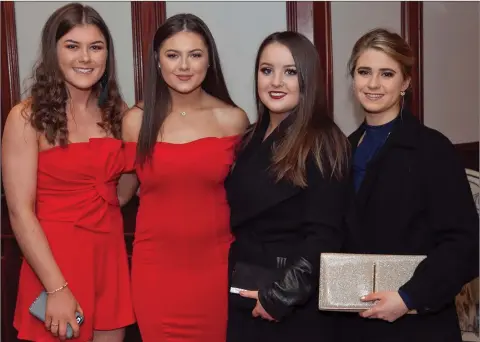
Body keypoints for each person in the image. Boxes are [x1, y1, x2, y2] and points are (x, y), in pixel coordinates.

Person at [2, 3, 137, 341]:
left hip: (109, 261)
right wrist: (57, 287)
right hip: (52, 266)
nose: (86, 58)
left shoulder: (118, 112)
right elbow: (20, 212)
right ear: (54, 52)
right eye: (72, 46)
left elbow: (121, 192)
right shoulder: (25, 117)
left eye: (96, 47)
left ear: (107, 54)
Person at [337, 28, 479, 342]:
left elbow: (466, 242)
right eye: (364, 72)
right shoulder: (341, 150)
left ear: (405, 83)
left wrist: (409, 298)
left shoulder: (433, 150)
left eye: (386, 74)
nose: (373, 84)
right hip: (352, 324)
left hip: (416, 325)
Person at [121, 13, 249, 342]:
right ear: (157, 61)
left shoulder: (233, 119)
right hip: (155, 271)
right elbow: (121, 194)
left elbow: (248, 198)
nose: (184, 66)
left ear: (209, 61)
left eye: (195, 54)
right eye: (172, 54)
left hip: (216, 269)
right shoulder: (137, 120)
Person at [225, 31, 350, 342]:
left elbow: (326, 234)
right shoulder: (251, 136)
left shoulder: (324, 140)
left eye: (290, 72)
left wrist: (281, 296)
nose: (276, 82)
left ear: (308, 79)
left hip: (291, 305)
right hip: (247, 291)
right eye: (267, 70)